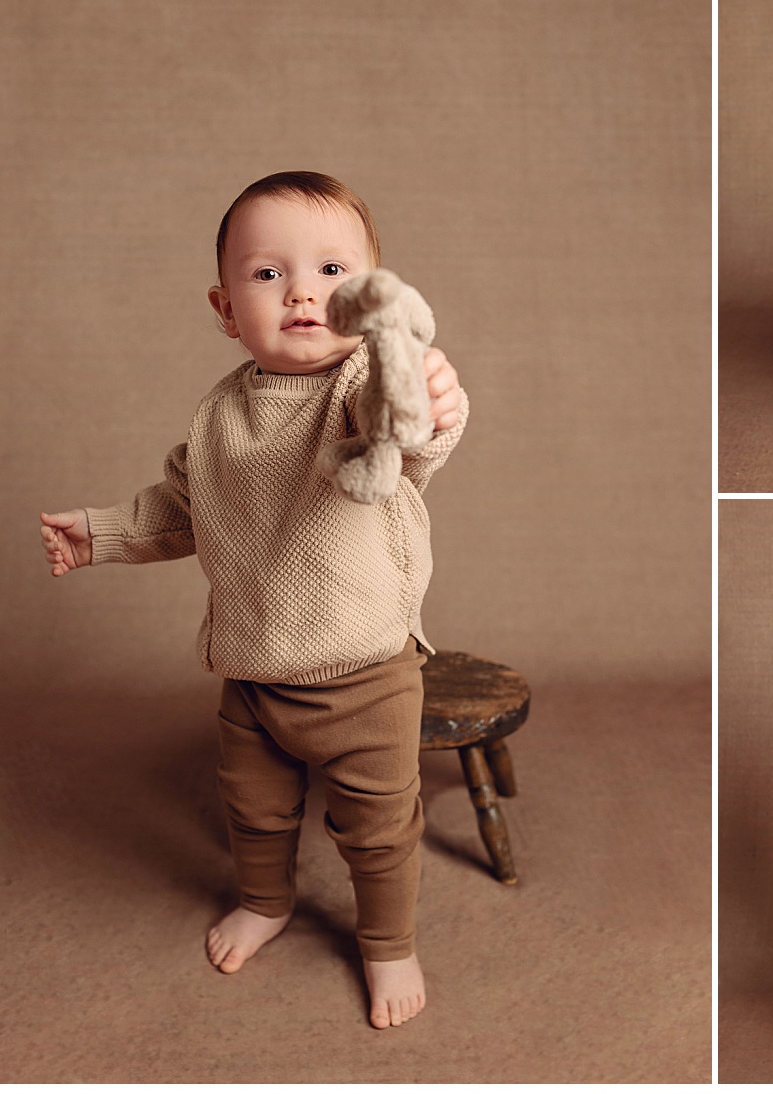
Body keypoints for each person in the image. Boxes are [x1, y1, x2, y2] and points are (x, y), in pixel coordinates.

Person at [38, 171, 468, 1029]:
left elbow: (401, 434)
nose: (304, 291)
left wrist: (429, 399)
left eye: (333, 273)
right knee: (255, 811)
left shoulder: (356, 392)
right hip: (252, 669)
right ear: (227, 307)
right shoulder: (218, 416)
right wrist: (102, 534)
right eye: (268, 274)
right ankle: (266, 901)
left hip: (367, 675)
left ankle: (389, 944)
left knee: (379, 830)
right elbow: (183, 508)